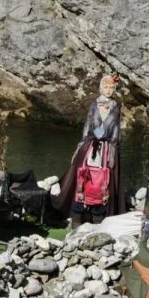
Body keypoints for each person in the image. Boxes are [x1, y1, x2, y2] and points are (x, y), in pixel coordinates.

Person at [53, 74, 124, 228]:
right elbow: (87, 125)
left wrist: (113, 147)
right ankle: (79, 216)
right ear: (101, 88)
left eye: (112, 87)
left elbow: (117, 130)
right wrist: (84, 143)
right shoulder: (94, 104)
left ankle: (100, 217)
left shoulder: (116, 106)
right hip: (91, 146)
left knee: (104, 180)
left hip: (106, 148)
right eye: (106, 87)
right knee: (84, 177)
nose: (109, 90)